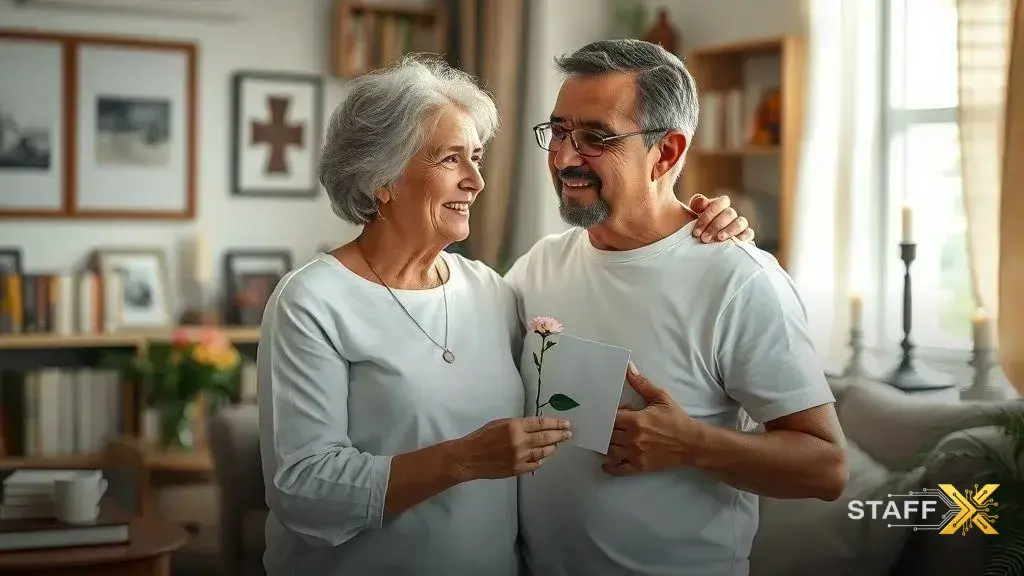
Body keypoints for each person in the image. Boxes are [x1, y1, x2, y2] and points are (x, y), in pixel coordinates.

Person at [256, 55, 754, 576]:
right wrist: (464, 459)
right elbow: (302, 490)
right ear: (381, 177)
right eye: (450, 159)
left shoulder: (494, 292)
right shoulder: (312, 301)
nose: (476, 180)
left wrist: (697, 238)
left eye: (476, 157)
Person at [505, 39, 849, 576]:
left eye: (595, 137)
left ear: (665, 153)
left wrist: (692, 445)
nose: (565, 157)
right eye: (559, 131)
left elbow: (826, 469)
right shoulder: (538, 266)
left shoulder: (741, 281)